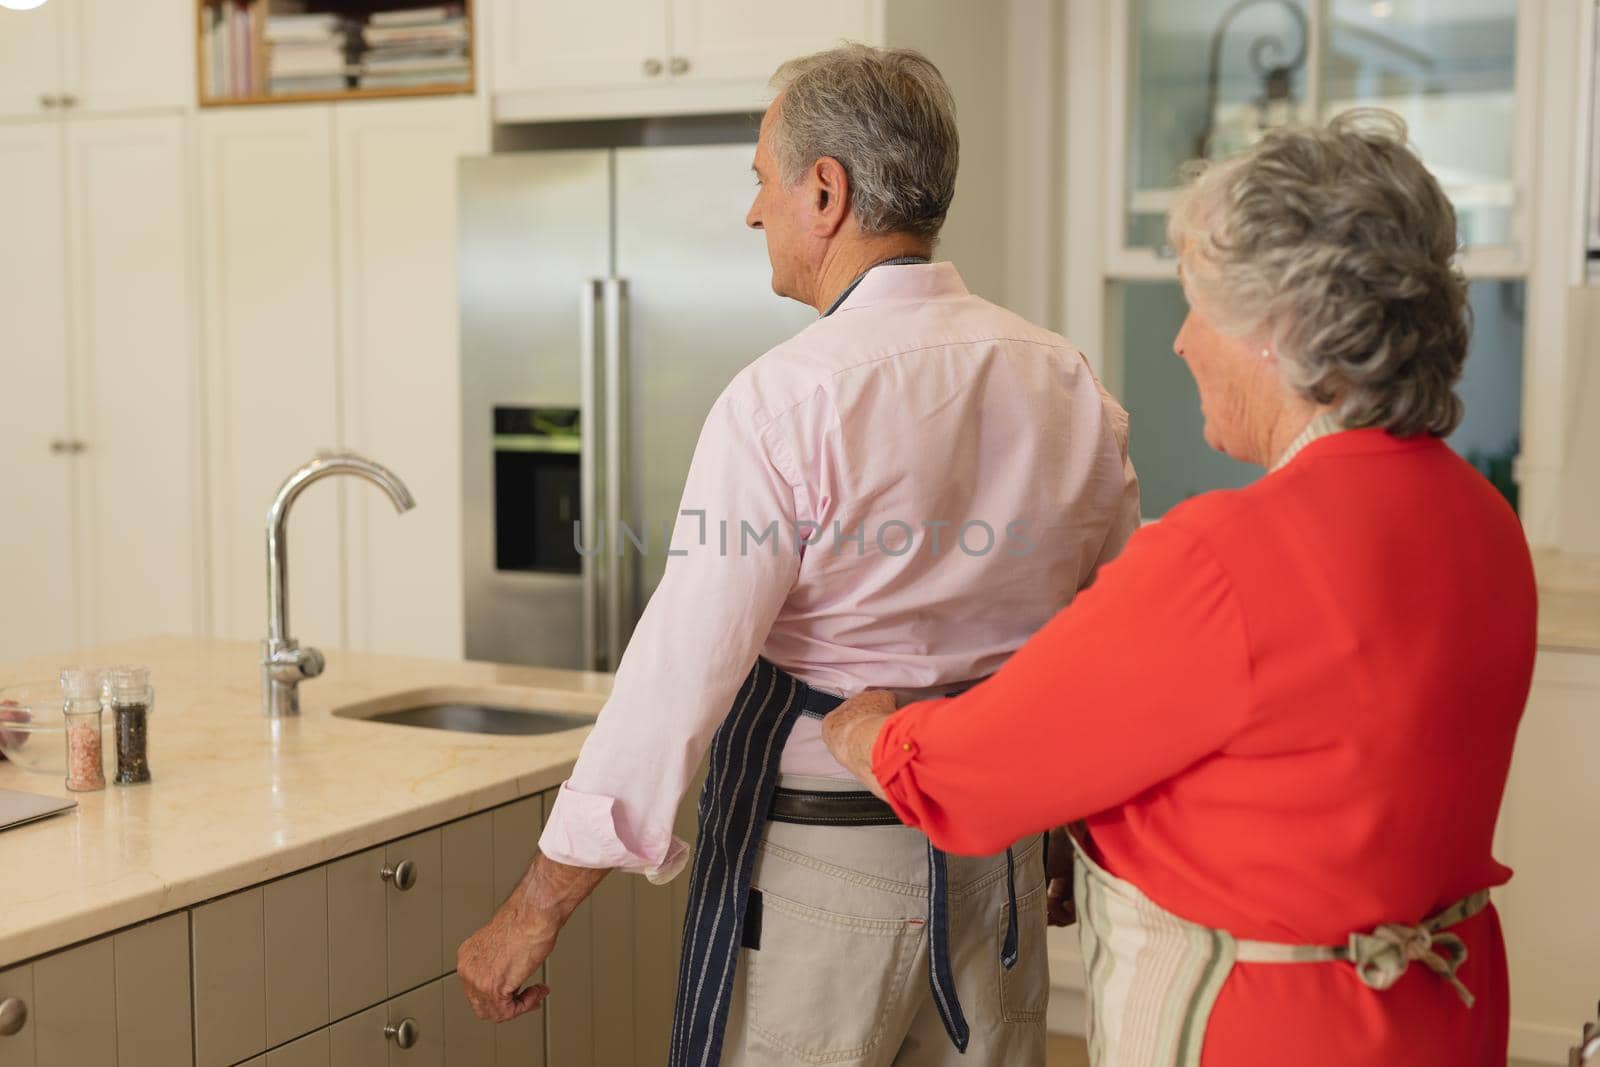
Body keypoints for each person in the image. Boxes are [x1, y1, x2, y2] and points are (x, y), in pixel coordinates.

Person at [456, 43, 1140, 1067]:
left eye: (760, 179)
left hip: (831, 882)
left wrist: (533, 907)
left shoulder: (789, 397)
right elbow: (1104, 635)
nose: (751, 212)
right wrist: (1054, 820)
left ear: (826, 191)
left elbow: (677, 676)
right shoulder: (1063, 378)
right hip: (988, 864)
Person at [822, 110, 1537, 1067]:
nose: (1183, 342)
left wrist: (870, 730)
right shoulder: (1481, 518)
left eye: (1201, 306)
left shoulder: (1232, 555)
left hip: (1271, 1034)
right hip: (1443, 1018)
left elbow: (973, 774)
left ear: (1280, 331)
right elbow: (1297, 765)